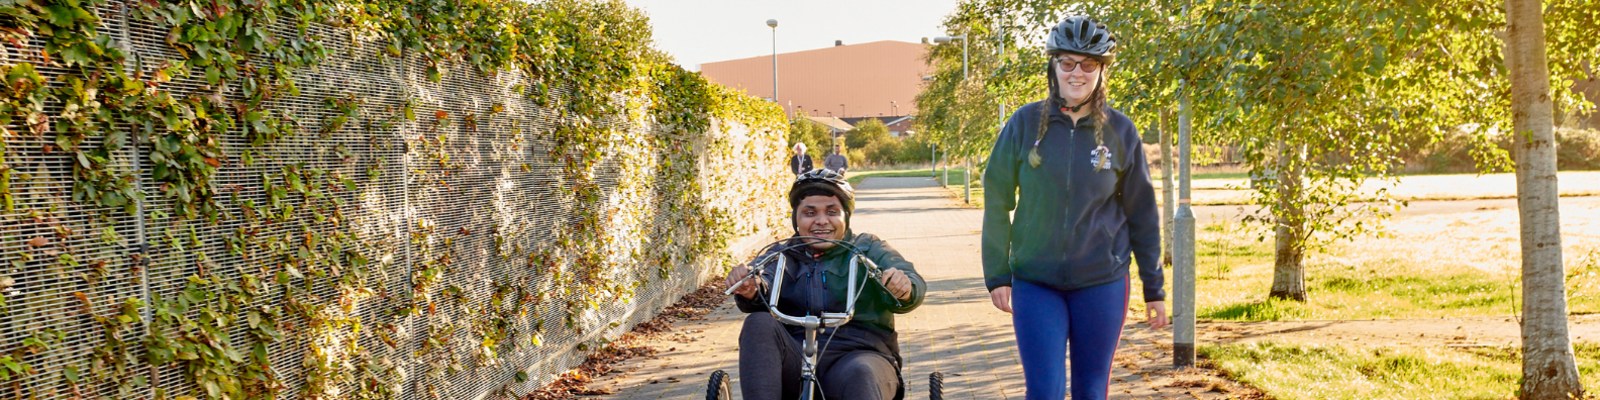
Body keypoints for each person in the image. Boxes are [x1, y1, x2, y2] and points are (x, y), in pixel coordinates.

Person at [979, 16, 1168, 400]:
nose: (1077, 73)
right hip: (1036, 282)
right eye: (1067, 62)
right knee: (1045, 391)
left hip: (1102, 282)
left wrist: (1154, 288)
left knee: (1091, 391)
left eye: (1088, 64)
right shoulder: (1024, 123)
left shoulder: (1121, 131)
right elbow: (997, 198)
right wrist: (997, 273)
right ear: (1054, 66)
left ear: (1101, 70)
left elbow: (1143, 213)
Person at [727, 169, 926, 400]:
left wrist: (904, 287)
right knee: (758, 323)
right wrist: (750, 288)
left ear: (846, 217)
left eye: (832, 212)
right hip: (794, 361)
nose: (821, 221)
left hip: (859, 356)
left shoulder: (868, 248)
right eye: (809, 213)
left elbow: (911, 281)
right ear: (796, 219)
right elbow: (762, 277)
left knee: (861, 373)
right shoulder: (780, 255)